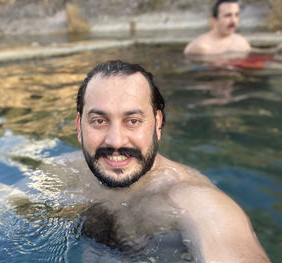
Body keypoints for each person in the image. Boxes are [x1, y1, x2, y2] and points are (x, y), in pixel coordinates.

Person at [75, 60, 271, 262]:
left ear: (157, 124)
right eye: (99, 121)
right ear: (79, 127)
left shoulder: (193, 201)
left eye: (133, 121)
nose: (116, 140)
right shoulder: (65, 174)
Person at [184, 0, 281, 56]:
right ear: (215, 20)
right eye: (228, 15)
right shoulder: (200, 47)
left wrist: (276, 50)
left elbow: (253, 52)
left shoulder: (240, 41)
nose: (233, 21)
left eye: (236, 15)